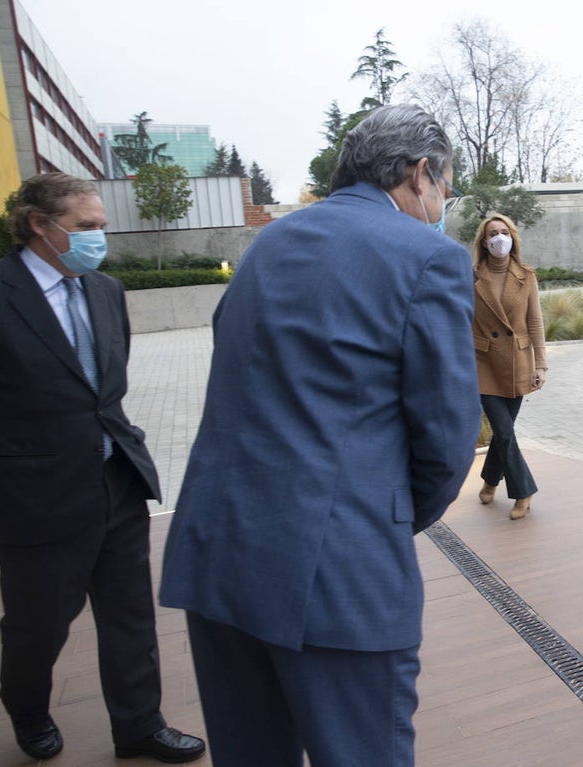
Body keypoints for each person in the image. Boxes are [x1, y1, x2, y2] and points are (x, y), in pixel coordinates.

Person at [158, 104, 481, 767]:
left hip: (219, 553)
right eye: (446, 185)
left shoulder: (271, 241)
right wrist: (379, 516)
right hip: (336, 577)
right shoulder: (429, 257)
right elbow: (448, 441)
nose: (444, 202)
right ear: (420, 173)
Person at [0, 173, 205, 762]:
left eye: (101, 226)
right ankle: (27, 710)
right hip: (36, 499)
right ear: (38, 227)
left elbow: (105, 389)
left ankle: (139, 726)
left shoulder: (105, 290)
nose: (99, 237)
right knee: (38, 626)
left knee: (131, 621)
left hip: (115, 483)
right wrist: (12, 460)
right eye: (85, 228)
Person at [471, 213, 548, 520]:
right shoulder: (472, 276)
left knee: (505, 433)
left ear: (513, 237)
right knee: (503, 430)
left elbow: (535, 320)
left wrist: (541, 364)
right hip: (484, 362)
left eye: (504, 232)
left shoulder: (526, 275)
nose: (499, 238)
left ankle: (490, 481)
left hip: (518, 362)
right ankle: (523, 490)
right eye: (493, 233)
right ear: (484, 241)